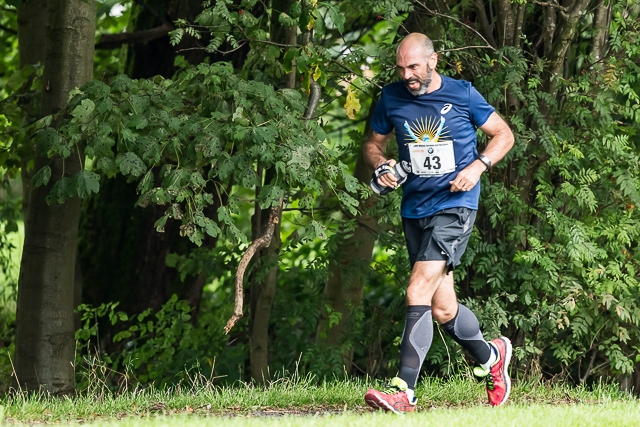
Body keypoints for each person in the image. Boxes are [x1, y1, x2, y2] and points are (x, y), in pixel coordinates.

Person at [362, 33, 515, 414]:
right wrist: (381, 165)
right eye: (401, 68)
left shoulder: (462, 93)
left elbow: (504, 134)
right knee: (442, 308)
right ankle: (491, 356)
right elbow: (372, 144)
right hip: (415, 209)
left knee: (417, 289)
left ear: (433, 61)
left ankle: (404, 391)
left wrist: (479, 166)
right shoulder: (391, 97)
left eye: (413, 67)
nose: (407, 75)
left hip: (455, 205)